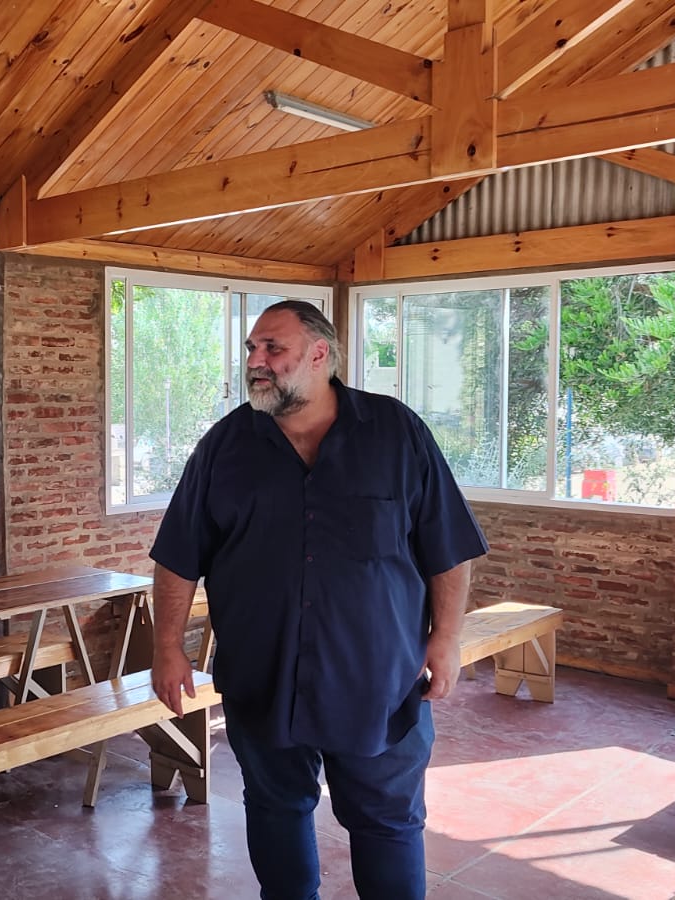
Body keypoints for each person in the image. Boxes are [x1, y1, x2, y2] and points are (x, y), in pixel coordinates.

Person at [149, 300, 488, 900]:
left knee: (386, 818)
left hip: (377, 678)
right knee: (275, 806)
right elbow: (178, 554)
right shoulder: (226, 445)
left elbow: (448, 546)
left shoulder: (395, 433)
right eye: (252, 349)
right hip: (263, 674)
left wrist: (447, 637)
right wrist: (167, 647)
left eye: (272, 348)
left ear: (319, 354)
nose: (256, 361)